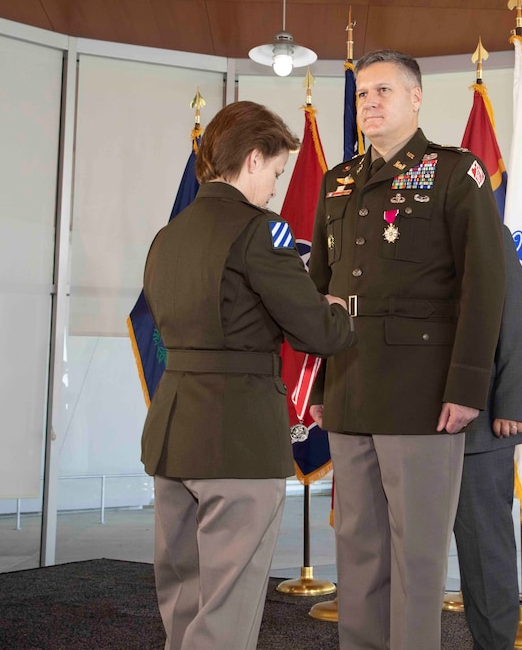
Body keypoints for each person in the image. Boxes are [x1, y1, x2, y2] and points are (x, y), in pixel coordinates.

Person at [308, 49, 506, 648]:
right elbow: (320, 288)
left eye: (383, 91)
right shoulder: (335, 181)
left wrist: (468, 385)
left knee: (417, 559)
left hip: (423, 396)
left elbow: (485, 284)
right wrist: (319, 384)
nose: (369, 102)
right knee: (358, 553)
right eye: (363, 93)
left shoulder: (455, 172)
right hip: (348, 386)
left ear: (416, 98)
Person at [140, 100, 356, 650]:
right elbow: (318, 333)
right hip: (236, 436)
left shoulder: (168, 237)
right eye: (278, 173)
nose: (276, 188)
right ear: (255, 159)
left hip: (173, 433)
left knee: (183, 598)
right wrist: (335, 307)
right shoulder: (264, 232)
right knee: (226, 607)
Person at [454, 224, 522, 650]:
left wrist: (509, 403)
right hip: (407, 421)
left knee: (486, 552)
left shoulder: (485, 230)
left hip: (483, 421)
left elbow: (518, 317)